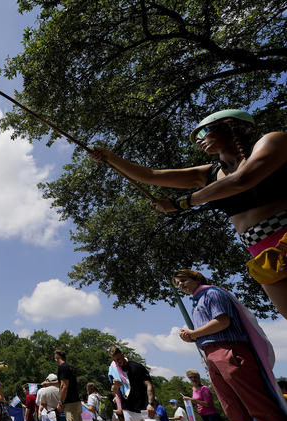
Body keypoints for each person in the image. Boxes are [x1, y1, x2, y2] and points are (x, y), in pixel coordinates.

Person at [90, 109, 287, 319]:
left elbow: (242, 180)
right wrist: (111, 158)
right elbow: (151, 175)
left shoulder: (273, 141)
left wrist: (183, 202)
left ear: (229, 125)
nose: (198, 141)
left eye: (203, 133)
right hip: (258, 250)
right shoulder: (209, 173)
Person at [174, 269, 287, 421]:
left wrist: (193, 333)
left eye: (183, 280)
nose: (180, 285)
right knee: (237, 415)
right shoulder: (196, 302)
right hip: (212, 356)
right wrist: (194, 337)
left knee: (261, 409)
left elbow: (222, 321)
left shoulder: (212, 293)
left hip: (230, 352)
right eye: (177, 284)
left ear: (196, 278)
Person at [108, 346, 182, 421]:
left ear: (123, 354)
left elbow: (149, 385)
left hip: (145, 407)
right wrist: (116, 386)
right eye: (115, 360)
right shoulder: (114, 370)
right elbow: (114, 391)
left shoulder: (136, 366)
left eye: (120, 358)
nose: (119, 362)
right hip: (129, 410)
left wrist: (151, 404)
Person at [54, 349, 93, 421]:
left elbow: (64, 386)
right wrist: (50, 384)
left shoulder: (62, 367)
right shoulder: (69, 367)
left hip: (69, 404)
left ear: (57, 357)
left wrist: (60, 402)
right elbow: (63, 382)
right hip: (76, 402)